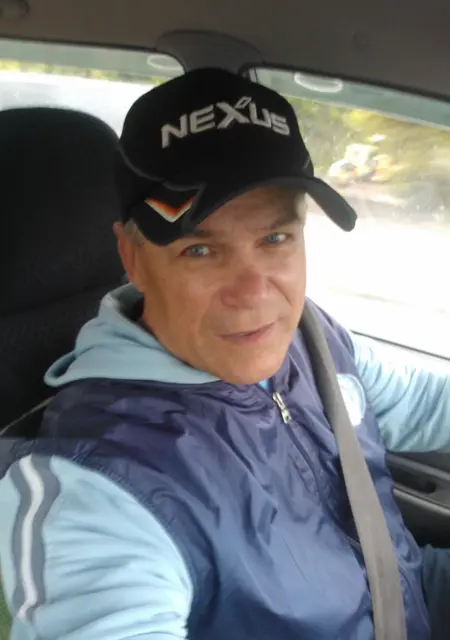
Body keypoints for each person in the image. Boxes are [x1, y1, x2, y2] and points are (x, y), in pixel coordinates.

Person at [0, 68, 449, 640]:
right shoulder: (95, 485)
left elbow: (430, 404)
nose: (254, 294)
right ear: (132, 258)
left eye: (275, 239)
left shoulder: (312, 338)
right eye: (201, 250)